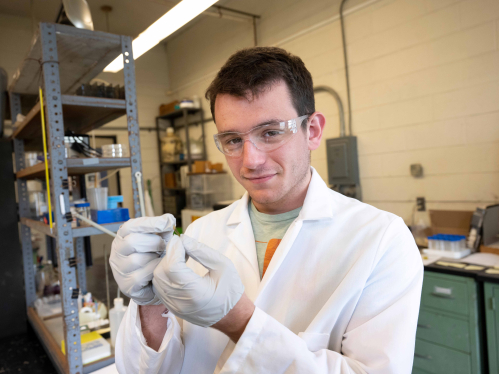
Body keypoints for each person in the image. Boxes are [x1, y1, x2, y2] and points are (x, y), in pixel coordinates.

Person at [110, 47, 423, 374]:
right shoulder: (202, 233)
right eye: (232, 140)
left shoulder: (381, 240)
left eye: (271, 132)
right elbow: (149, 370)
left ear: (312, 130)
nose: (251, 160)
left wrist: (240, 322)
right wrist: (151, 303)